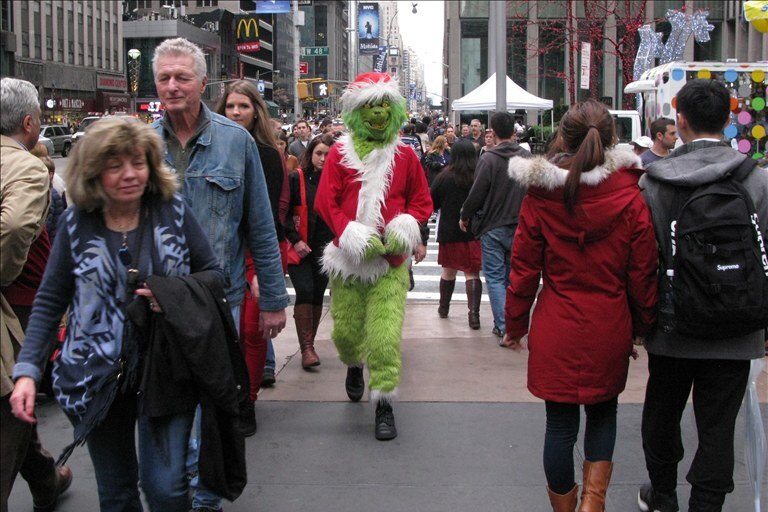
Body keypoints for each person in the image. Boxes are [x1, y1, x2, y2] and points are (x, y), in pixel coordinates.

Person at [10, 117, 232, 512]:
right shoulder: (77, 222)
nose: (130, 174)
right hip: (95, 375)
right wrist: (27, 371)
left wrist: (173, 294)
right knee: (116, 494)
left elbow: (214, 274)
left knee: (165, 489)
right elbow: (49, 300)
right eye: (115, 165)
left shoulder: (172, 210)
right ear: (94, 171)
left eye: (138, 162)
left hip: (166, 368)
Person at [151, 37, 289, 512]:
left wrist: (273, 298)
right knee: (167, 408)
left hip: (219, 301)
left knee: (211, 405)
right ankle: (178, 489)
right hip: (156, 303)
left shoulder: (236, 142)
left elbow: (260, 226)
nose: (172, 86)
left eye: (182, 77)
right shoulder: (142, 146)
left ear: (202, 83)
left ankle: (203, 496)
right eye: (164, 77)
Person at [503, 100, 658, 512]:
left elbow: (523, 268)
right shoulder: (630, 195)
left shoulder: (542, 195)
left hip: (557, 322)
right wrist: (643, 323)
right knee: (603, 415)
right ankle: (593, 504)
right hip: (610, 322)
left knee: (559, 423)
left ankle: (566, 508)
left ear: (562, 137)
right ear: (611, 140)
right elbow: (642, 271)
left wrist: (515, 324)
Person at [637, 79, 768, 512]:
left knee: (662, 412)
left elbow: (643, 259)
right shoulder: (758, 182)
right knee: (718, 424)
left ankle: (663, 494)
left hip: (673, 326)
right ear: (729, 121)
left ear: (681, 121)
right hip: (738, 327)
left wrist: (642, 321)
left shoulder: (653, 183)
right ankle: (707, 503)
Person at [314, 72, 433, 441]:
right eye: (370, 107)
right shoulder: (338, 153)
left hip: (390, 264)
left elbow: (422, 202)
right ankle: (352, 364)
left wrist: (405, 228)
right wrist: (348, 232)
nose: (378, 115)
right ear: (356, 112)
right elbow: (325, 203)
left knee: (384, 338)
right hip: (348, 263)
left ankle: (384, 404)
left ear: (395, 110)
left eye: (385, 106)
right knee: (348, 333)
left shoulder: (406, 156)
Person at [1, 76, 72, 512]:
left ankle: (46, 477)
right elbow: (12, 229)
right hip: (22, 304)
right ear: (29, 123)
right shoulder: (26, 165)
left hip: (24, 299)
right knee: (13, 399)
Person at [215, 79, 290, 436]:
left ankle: (249, 400)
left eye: (243, 106)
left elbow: (268, 216)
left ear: (255, 111)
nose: (236, 112)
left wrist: (263, 267)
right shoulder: (213, 147)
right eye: (230, 106)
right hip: (219, 250)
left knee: (253, 330)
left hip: (255, 251)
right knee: (222, 333)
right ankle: (228, 397)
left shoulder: (267, 153)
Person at [459, 111, 531, 339]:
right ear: (514, 132)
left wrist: (465, 215)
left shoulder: (488, 159)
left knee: (495, 278)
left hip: (492, 225)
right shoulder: (527, 159)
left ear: (492, 131)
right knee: (511, 277)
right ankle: (512, 323)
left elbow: (477, 193)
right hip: (520, 224)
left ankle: (504, 325)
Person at [284, 133, 336, 369]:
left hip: (325, 250)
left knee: (317, 294)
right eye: (319, 153)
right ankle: (306, 348)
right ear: (310, 154)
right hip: (300, 248)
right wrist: (295, 240)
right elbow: (282, 213)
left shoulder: (336, 181)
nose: (323, 159)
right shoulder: (297, 178)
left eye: (327, 154)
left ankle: (310, 346)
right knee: (304, 291)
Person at [430, 138, 483, 329]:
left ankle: (444, 308)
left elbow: (432, 203)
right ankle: (474, 315)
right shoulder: (478, 176)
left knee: (448, 271)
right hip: (473, 231)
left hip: (449, 231)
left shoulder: (444, 177)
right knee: (472, 272)